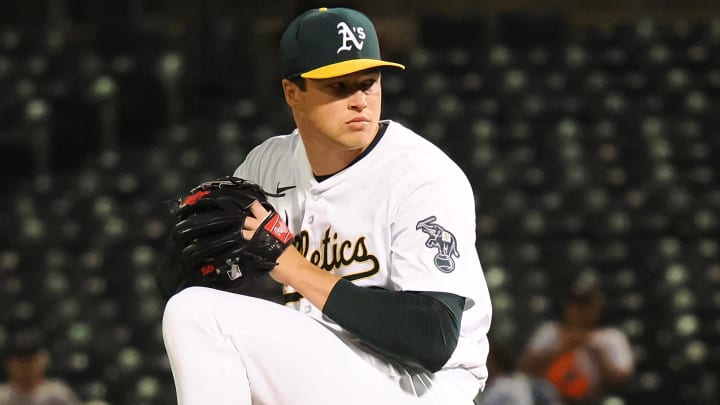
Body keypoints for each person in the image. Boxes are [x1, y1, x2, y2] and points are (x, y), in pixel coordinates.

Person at [160, 6, 492, 405]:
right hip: (331, 375)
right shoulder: (267, 166)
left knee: (196, 313)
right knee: (189, 308)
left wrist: (292, 266)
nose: (360, 101)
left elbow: (434, 338)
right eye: (339, 86)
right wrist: (183, 260)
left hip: (420, 389)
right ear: (292, 93)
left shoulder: (421, 174)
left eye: (368, 83)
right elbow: (185, 280)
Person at [517, 281, 634, 404]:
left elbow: (621, 379)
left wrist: (594, 351)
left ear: (597, 307)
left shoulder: (611, 336)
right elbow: (524, 368)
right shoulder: (550, 331)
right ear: (567, 307)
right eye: (576, 305)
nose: (581, 311)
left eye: (587, 305)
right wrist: (564, 349)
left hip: (596, 399)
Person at [0, 329, 81, 405]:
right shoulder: (2, 398)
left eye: (31, 359)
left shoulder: (58, 395)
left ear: (42, 360)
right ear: (9, 363)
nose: (26, 366)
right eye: (21, 360)